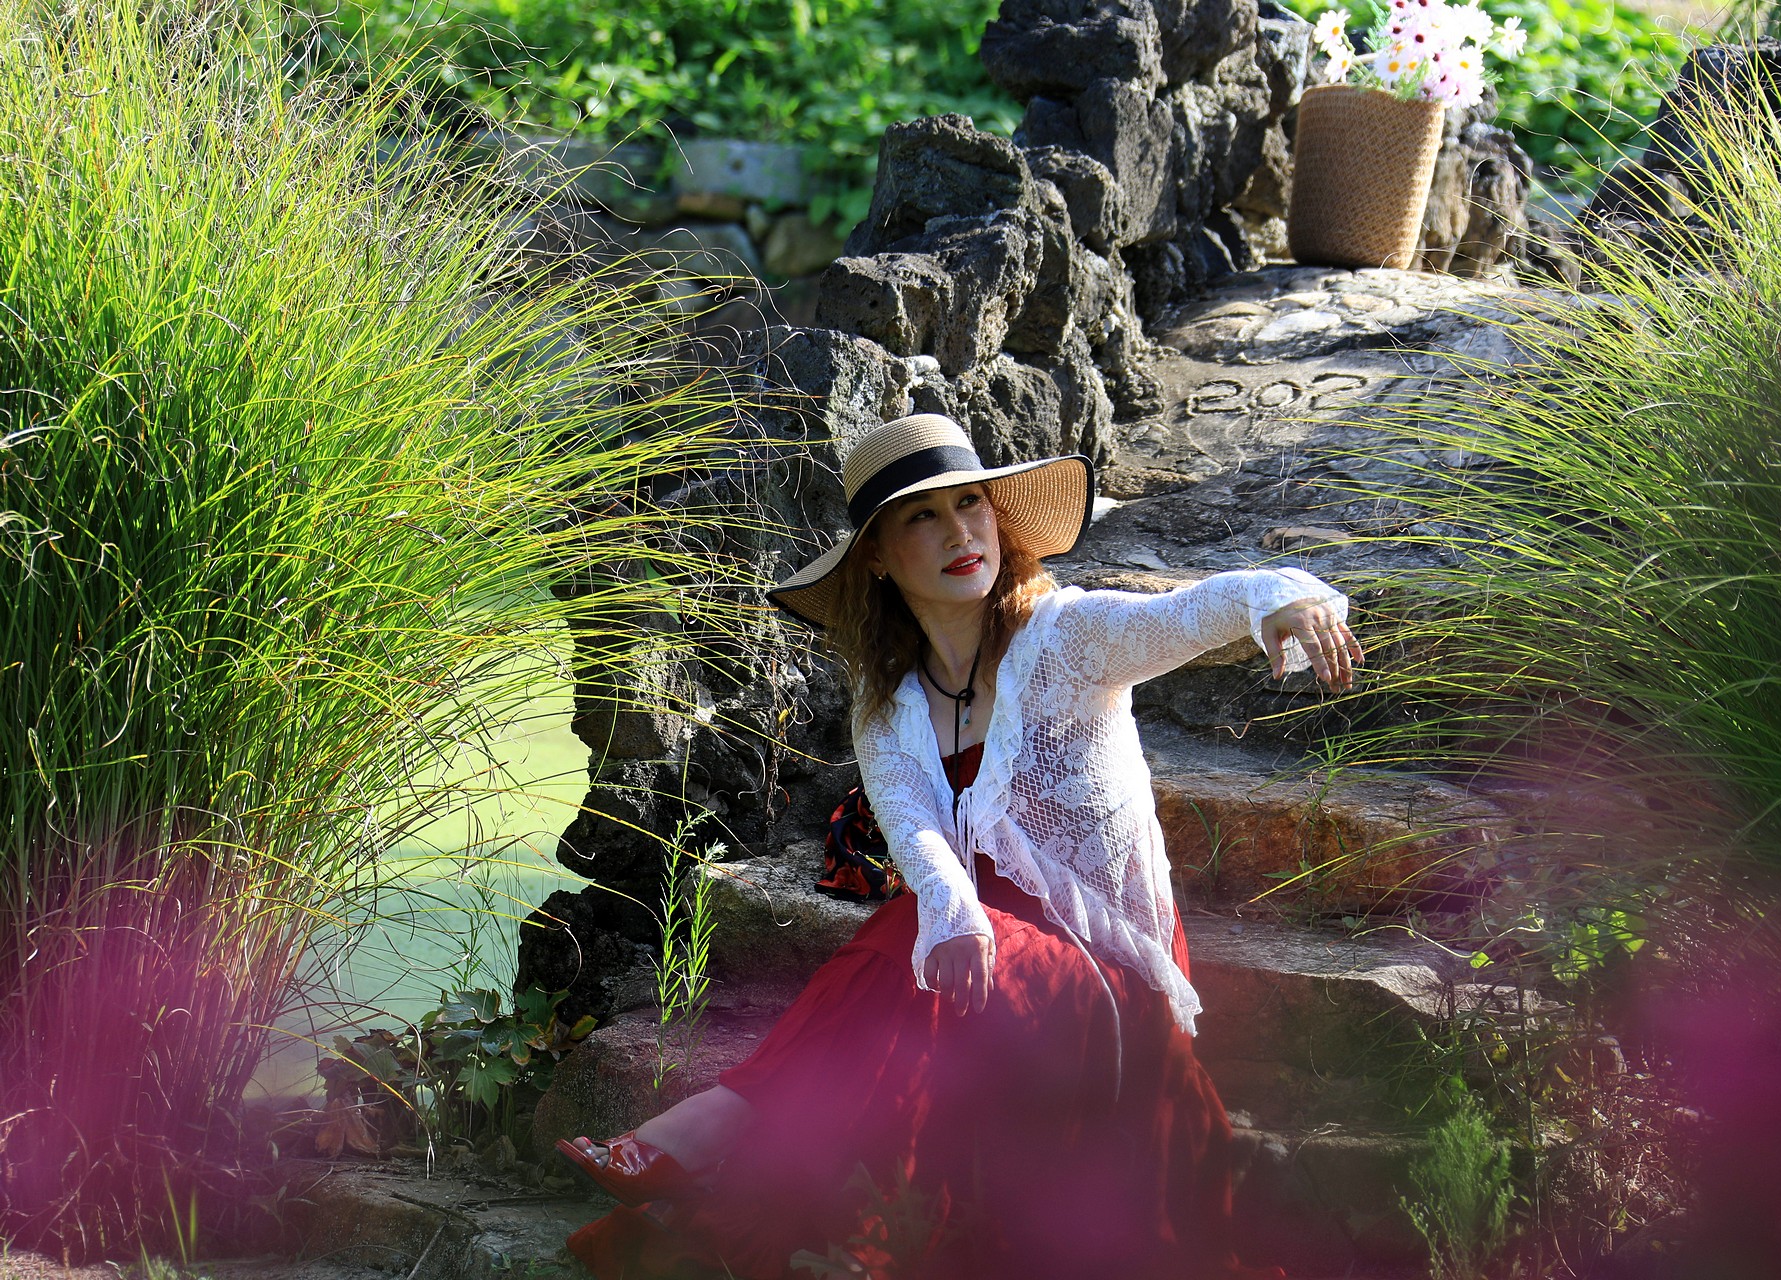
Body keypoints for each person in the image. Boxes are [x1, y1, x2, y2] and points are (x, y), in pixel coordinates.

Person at [557, 413, 1362, 1279]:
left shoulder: (1068, 637)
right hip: (970, 951)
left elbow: (1188, 612)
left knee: (908, 944)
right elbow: (914, 833)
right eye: (923, 517)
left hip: (1106, 967)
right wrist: (954, 914)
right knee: (920, 944)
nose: (960, 533)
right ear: (877, 555)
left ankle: (721, 1143)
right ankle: (841, 1224)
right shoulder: (888, 703)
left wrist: (1283, 595)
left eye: (971, 504)